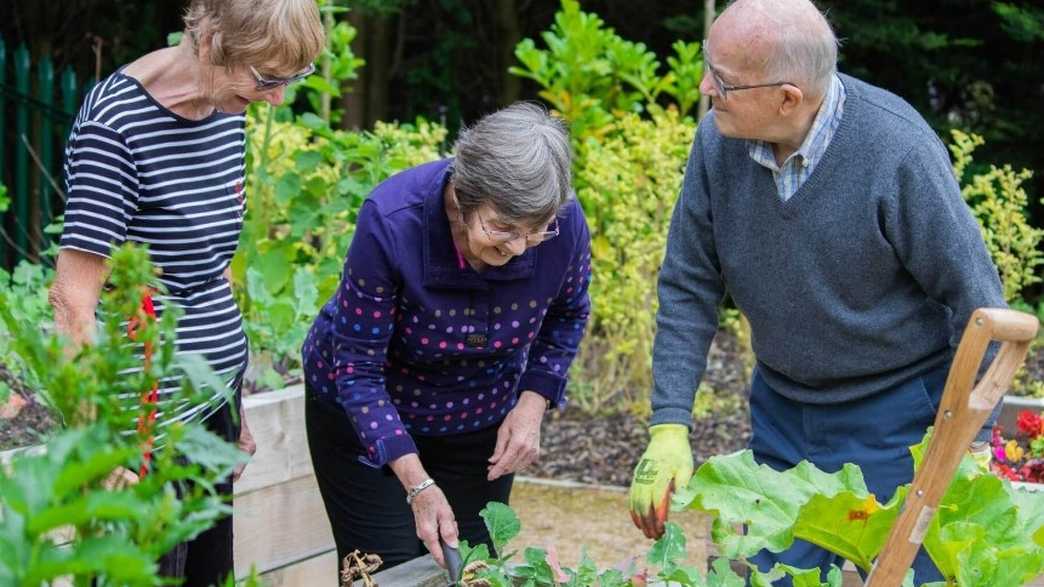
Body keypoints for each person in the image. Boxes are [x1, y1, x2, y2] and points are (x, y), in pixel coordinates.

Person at [626, 0, 1004, 583]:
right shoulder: (717, 142)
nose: (705, 88)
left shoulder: (897, 150)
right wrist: (669, 425)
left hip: (899, 417)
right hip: (783, 412)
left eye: (723, 81)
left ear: (788, 97)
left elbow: (978, 304)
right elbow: (689, 284)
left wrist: (968, 441)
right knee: (767, 576)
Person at [49, 1, 324, 584]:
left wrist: (235, 404)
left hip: (210, 397)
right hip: (140, 419)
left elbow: (212, 268)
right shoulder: (116, 127)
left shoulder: (228, 105)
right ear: (211, 42)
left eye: (289, 80)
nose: (275, 98)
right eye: (267, 79)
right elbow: (73, 301)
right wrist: (101, 444)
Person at [302, 102, 592, 574]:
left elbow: (568, 313)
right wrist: (417, 485)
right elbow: (356, 370)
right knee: (390, 573)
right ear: (462, 195)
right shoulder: (392, 221)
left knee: (473, 569)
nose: (518, 248)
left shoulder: (562, 223)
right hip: (368, 419)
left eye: (535, 231)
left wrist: (532, 403)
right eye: (502, 228)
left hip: (478, 419)